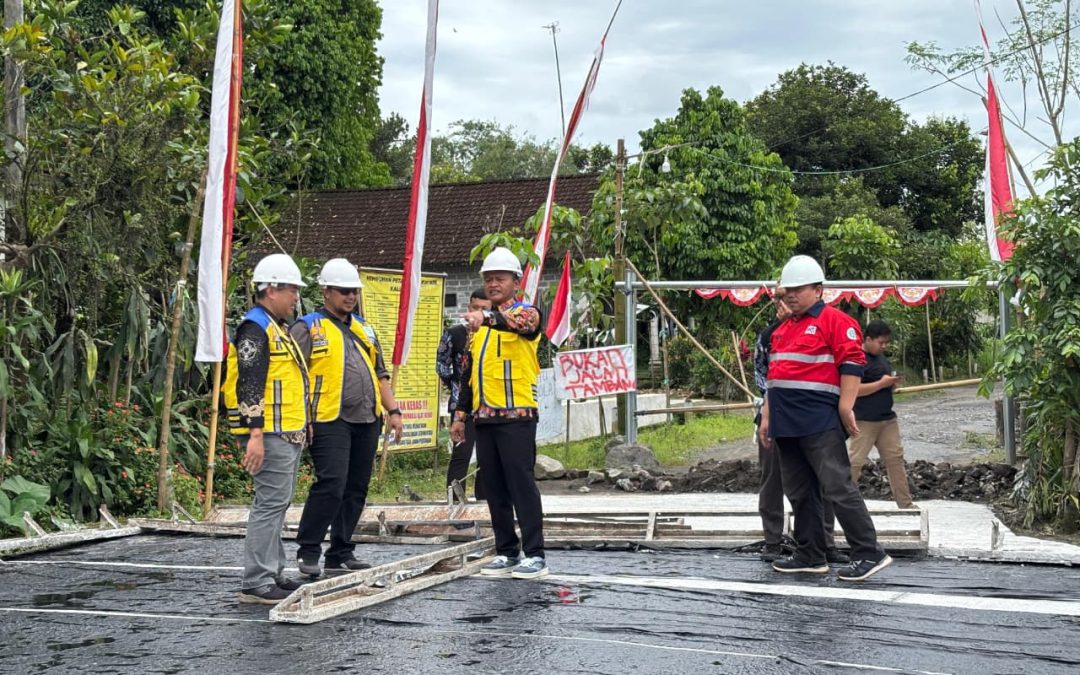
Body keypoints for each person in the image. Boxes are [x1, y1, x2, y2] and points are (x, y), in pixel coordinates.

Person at [760, 255, 893, 581]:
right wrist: (766, 416)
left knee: (837, 486)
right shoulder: (783, 329)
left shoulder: (836, 321)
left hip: (819, 420)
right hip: (786, 422)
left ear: (818, 290)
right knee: (799, 491)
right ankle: (810, 554)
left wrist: (846, 406)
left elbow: (852, 364)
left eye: (799, 289)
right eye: (788, 290)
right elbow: (774, 377)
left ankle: (869, 552)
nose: (791, 295)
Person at [290, 258, 404, 577]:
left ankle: (340, 551)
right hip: (328, 418)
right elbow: (293, 375)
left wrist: (393, 411)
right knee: (332, 484)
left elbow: (381, 374)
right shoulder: (308, 327)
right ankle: (308, 548)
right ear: (325, 291)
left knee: (356, 487)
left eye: (354, 291)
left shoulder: (364, 328)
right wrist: (301, 417)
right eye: (344, 291)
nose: (351, 296)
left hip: (367, 419)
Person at [450, 247, 547, 579]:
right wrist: (460, 416)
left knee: (522, 485)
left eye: (500, 278)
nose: (493, 284)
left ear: (515, 282)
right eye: (489, 279)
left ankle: (535, 554)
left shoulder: (527, 313)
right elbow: (468, 374)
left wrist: (487, 317)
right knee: (494, 488)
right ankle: (506, 551)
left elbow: (520, 324)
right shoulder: (480, 328)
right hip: (485, 417)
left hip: (517, 417)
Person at [223, 253, 311, 604]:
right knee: (269, 504)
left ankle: (272, 572)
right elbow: (249, 384)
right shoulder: (255, 327)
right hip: (269, 431)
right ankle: (257, 581)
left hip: (284, 429)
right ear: (271, 289)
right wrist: (255, 435)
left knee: (277, 503)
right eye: (292, 290)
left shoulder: (276, 327)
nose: (296, 297)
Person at [754, 289, 844, 564]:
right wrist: (769, 414)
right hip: (777, 416)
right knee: (773, 480)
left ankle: (824, 542)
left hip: (814, 418)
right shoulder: (769, 336)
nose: (788, 302)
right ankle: (773, 540)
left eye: (793, 294)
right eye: (782, 297)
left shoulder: (822, 328)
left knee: (824, 481)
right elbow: (763, 377)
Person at [849, 320, 914, 509]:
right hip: (864, 420)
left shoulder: (881, 358)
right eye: (881, 342)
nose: (884, 346)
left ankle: (905, 504)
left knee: (895, 460)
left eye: (886, 343)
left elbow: (883, 382)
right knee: (854, 462)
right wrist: (881, 384)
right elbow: (853, 390)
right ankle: (839, 502)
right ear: (868, 339)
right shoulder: (856, 359)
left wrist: (891, 384)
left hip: (887, 419)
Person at [437, 288, 492, 500]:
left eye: (484, 309)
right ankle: (455, 503)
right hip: (462, 406)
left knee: (488, 457)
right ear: (468, 307)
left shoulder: (495, 333)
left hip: (489, 404)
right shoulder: (454, 333)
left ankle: (485, 502)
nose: (478, 313)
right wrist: (456, 386)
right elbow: (442, 365)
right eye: (475, 307)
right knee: (461, 454)